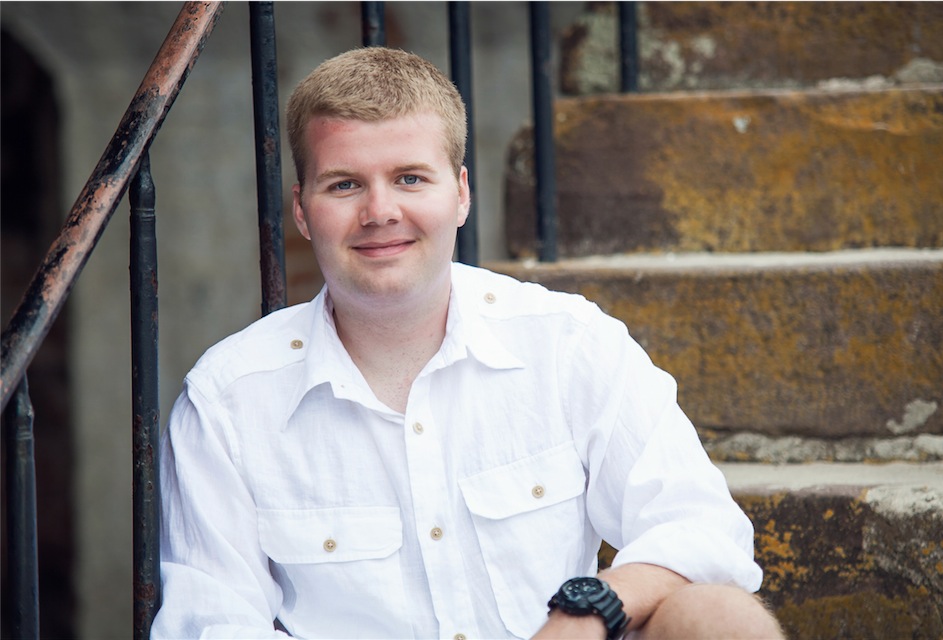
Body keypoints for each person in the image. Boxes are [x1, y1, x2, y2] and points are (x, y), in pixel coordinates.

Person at [152, 47, 783, 640]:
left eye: (409, 178)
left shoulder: (566, 342)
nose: (380, 212)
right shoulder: (229, 399)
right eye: (344, 184)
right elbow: (212, 621)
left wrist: (589, 606)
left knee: (719, 615)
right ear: (301, 209)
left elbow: (701, 528)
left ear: (461, 193)